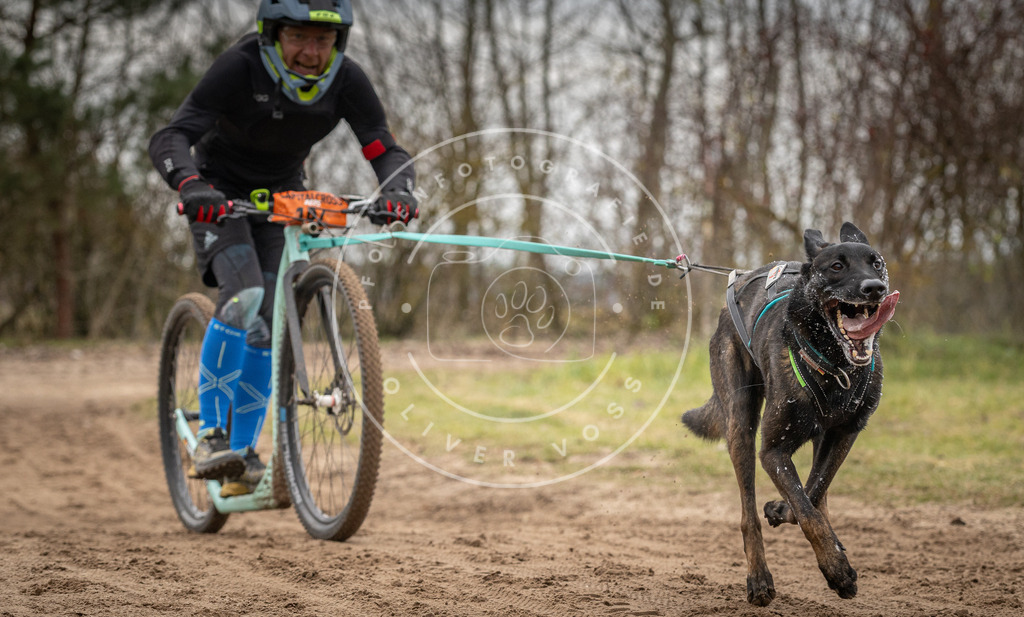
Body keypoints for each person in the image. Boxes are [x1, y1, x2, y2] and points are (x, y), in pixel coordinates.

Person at [149, 0, 417, 497]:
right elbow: (172, 135)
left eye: (322, 40)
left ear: (338, 42)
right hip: (218, 192)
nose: (310, 52)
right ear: (274, 35)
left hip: (282, 196)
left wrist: (398, 192)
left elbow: (381, 145)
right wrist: (190, 184)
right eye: (298, 37)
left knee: (270, 319)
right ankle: (211, 437)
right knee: (246, 297)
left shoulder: (347, 80)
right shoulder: (241, 65)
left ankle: (243, 457)